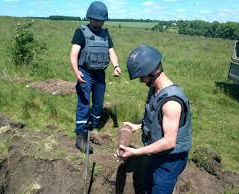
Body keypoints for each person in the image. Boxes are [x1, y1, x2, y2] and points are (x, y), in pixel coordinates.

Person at [117, 45, 192, 193]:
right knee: (147, 185)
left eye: (141, 77)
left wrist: (135, 152)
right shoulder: (155, 91)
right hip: (156, 153)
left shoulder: (171, 102)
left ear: (152, 72)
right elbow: (155, 119)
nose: (140, 81)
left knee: (160, 189)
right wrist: (136, 126)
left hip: (170, 160)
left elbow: (169, 142)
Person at [70, 1, 121, 154]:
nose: (99, 22)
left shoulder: (105, 34)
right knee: (84, 102)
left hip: (100, 73)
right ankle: (80, 135)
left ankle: (94, 125)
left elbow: (111, 51)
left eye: (102, 20)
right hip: (85, 72)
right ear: (90, 17)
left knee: (98, 102)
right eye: (97, 19)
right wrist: (76, 71)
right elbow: (74, 54)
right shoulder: (81, 32)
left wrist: (116, 66)